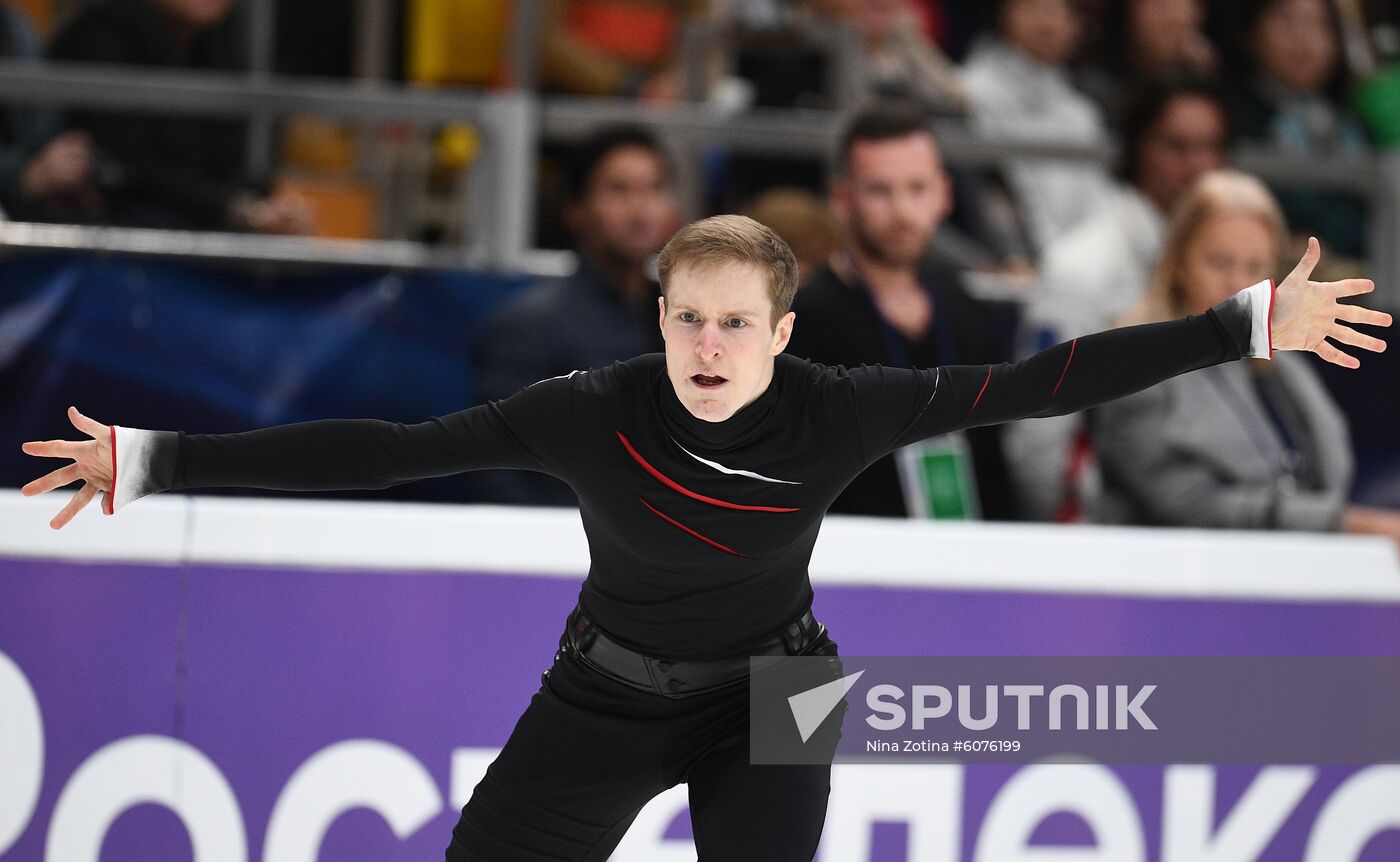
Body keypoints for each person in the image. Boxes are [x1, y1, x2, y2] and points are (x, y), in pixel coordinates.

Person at [20, 214, 1387, 860]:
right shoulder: (586, 410)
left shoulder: (843, 408)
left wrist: (1237, 325)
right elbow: (391, 448)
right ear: (657, 318)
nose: (712, 344)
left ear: (784, 333)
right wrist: (159, 457)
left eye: (740, 321)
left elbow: (1043, 378)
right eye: (689, 317)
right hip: (603, 687)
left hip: (783, 687)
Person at [1089, 170, 1400, 544]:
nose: (1238, 283)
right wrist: (1341, 523)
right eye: (1219, 262)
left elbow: (1321, 479)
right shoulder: (1136, 365)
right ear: (1178, 262)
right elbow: (1193, 508)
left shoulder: (1283, 363)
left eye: (1255, 268)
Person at [1006, 75, 1231, 520]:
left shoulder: (1225, 262)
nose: (1197, 167)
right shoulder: (1081, 266)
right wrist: (1073, 543)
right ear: (1139, 148)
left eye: (1210, 148)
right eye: (1177, 146)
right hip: (1108, 534)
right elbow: (1038, 428)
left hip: (1204, 520)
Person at [785, 105, 1022, 520]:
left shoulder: (969, 310)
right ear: (842, 198)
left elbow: (994, 459)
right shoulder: (803, 323)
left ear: (943, 194)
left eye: (917, 188)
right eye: (880, 190)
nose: (901, 211)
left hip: (972, 551)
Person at [472, 124, 679, 505]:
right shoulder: (529, 325)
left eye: (654, 189)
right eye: (619, 190)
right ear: (577, 210)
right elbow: (497, 471)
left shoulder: (685, 321)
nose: (640, 209)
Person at [46, 0, 315, 233]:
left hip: (201, 240)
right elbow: (136, 176)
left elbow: (233, 162)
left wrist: (263, 207)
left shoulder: (220, 42)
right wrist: (236, 210)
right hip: (114, 246)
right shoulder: (96, 39)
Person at [960, 0, 1115, 254]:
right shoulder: (972, 93)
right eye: (1035, 7)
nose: (1047, 22)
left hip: (1080, 269)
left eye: (1060, 10)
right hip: (1006, 259)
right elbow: (1001, 198)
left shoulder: (1081, 112)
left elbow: (1097, 208)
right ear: (1007, 13)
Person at [0, 3, 99, 221]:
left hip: (36, 208)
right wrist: (22, 176)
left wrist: (67, 161)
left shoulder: (13, 23)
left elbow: (45, 123)